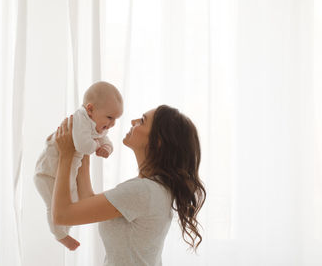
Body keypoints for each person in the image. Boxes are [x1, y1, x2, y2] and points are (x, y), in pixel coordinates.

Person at [53, 105, 206, 265]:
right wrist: (82, 147)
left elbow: (61, 216)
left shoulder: (143, 191)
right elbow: (87, 200)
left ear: (158, 141)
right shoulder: (156, 188)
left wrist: (66, 154)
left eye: (142, 121)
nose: (133, 121)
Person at [34, 81, 123, 250]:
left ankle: (64, 231)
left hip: (65, 174)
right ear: (90, 109)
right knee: (54, 207)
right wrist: (97, 146)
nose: (112, 124)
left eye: (116, 119)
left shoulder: (97, 124)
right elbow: (84, 146)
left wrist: (106, 148)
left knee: (72, 204)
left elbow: (105, 140)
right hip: (46, 173)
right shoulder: (80, 119)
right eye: (110, 117)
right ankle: (60, 235)